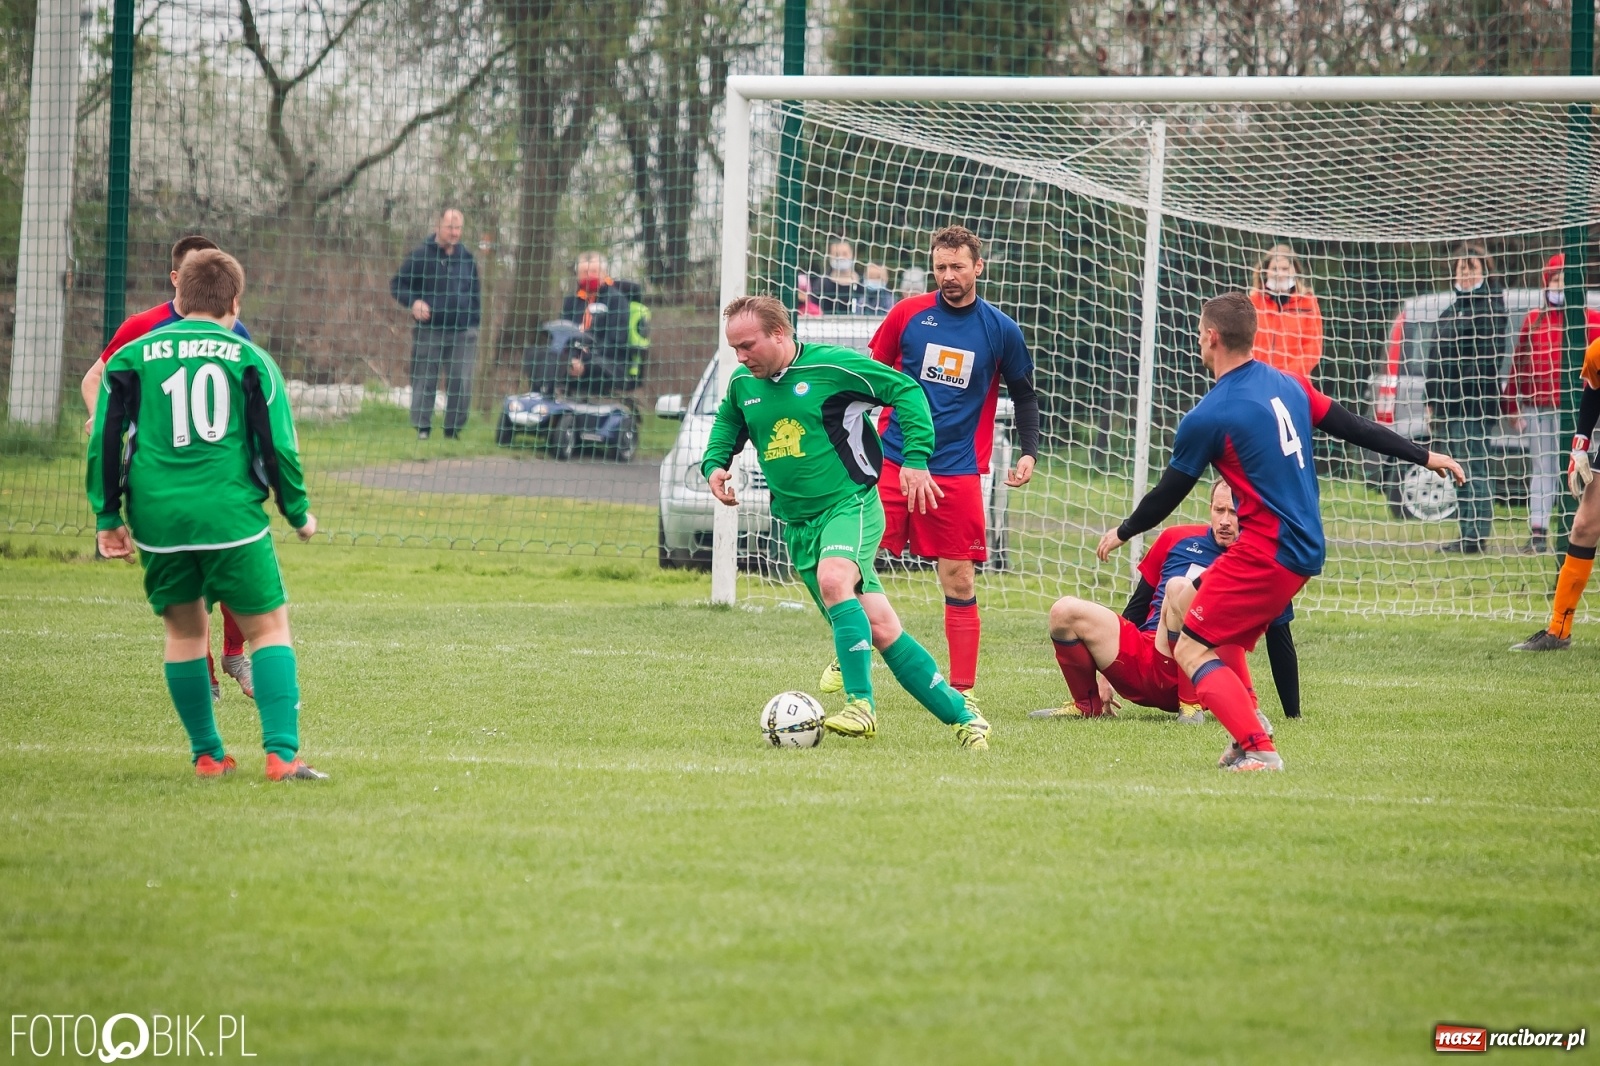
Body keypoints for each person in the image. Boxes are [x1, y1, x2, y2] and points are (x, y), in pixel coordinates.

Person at [1095, 293, 1464, 772]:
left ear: (1210, 337)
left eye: (1199, 332)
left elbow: (1168, 494)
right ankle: (1254, 720)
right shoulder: (1288, 383)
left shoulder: (1210, 415)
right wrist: (1424, 454)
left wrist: (1124, 531)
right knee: (1184, 595)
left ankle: (1258, 746)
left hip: (1271, 551)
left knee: (1189, 645)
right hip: (1301, 542)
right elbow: (1352, 425)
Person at [702, 295, 991, 749]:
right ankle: (964, 719)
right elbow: (728, 424)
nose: (740, 356)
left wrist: (915, 459)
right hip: (798, 526)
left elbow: (906, 389)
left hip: (850, 506)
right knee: (880, 629)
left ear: (779, 334)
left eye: (747, 345)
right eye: (734, 347)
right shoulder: (743, 384)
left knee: (835, 579)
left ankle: (861, 705)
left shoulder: (833, 369)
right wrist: (715, 464)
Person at [86, 249, 326, 781]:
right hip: (229, 516)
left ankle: (208, 755)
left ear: (180, 295)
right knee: (268, 629)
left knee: (185, 635)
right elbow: (277, 447)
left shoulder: (131, 357)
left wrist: (107, 517)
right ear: (234, 301)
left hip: (158, 519)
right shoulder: (250, 359)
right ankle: (282, 756)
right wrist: (297, 511)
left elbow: (104, 441)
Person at [819, 225, 1040, 704]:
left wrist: (1028, 451)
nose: (948, 276)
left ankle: (963, 691)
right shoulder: (907, 315)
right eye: (940, 267)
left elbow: (1024, 394)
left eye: (958, 266)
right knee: (853, 563)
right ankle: (849, 651)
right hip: (892, 462)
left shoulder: (1000, 330)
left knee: (958, 577)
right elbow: (866, 379)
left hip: (957, 470)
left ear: (978, 267)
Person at [80, 234, 256, 703]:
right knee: (191, 579)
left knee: (238, 560)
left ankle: (236, 651)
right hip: (163, 473)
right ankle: (207, 678)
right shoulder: (143, 326)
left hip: (218, 473)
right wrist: (107, 422)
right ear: (177, 278)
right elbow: (95, 379)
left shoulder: (233, 329)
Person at [1036, 480, 1291, 728]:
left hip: (1196, 670)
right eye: (1219, 510)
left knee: (1177, 587)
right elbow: (1137, 607)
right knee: (1064, 609)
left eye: (1234, 512)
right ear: (1210, 508)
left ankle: (1189, 707)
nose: (1225, 520)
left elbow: (1280, 636)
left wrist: (1293, 712)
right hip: (1146, 657)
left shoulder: (1263, 562)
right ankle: (1086, 704)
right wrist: (1106, 677)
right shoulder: (1175, 538)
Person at [1506, 253, 1600, 554]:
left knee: (1577, 469)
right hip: (1540, 407)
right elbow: (1518, 363)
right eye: (1555, 280)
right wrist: (1512, 404)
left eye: (1564, 280)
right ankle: (1538, 531)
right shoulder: (1535, 319)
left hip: (1572, 409)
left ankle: (1579, 528)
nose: (1559, 285)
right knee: (1542, 468)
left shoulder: (1590, 319)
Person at [1511, 334, 1600, 650]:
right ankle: (1558, 630)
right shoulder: (1598, 351)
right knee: (1583, 526)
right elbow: (1594, 387)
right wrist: (1580, 446)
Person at [1427, 240, 1505, 554]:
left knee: (1476, 468)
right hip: (1449, 407)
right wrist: (1432, 400)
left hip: (1474, 405)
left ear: (1484, 271)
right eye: (1461, 268)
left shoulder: (1491, 307)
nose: (1466, 273)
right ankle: (1465, 533)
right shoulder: (1449, 311)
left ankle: (1476, 535)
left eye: (1471, 268)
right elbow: (1435, 361)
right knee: (1458, 469)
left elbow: (1488, 358)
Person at [390, 208, 481, 440]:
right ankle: (422, 428)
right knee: (425, 379)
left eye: (458, 227)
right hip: (430, 329)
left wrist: (473, 324)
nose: (454, 232)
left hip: (462, 331)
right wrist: (414, 302)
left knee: (461, 381)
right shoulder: (420, 256)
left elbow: (475, 294)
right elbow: (397, 284)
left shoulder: (467, 259)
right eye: (450, 227)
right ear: (438, 226)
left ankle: (453, 430)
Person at [559, 252, 633, 394]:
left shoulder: (617, 300)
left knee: (592, 363)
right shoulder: (571, 302)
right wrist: (572, 357)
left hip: (610, 361)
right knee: (541, 357)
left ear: (604, 273)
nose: (589, 276)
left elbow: (616, 341)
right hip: (574, 358)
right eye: (584, 272)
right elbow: (564, 333)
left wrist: (585, 358)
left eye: (593, 272)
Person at [1248, 243, 1323, 379]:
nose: (1280, 274)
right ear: (1265, 271)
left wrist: (1286, 376)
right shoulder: (1253, 302)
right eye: (1275, 268)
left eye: (1285, 268)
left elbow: (1313, 349)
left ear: (1295, 270)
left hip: (1293, 382)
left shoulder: (1308, 303)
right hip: (1257, 378)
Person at [816, 238, 862, 314]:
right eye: (836, 254)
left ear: (853, 254)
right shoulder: (820, 285)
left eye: (845, 254)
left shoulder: (863, 284)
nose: (841, 258)